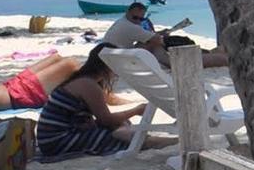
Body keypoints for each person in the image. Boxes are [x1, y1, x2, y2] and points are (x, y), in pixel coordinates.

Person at [36, 45, 169, 160]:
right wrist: (136, 110)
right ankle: (161, 142)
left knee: (121, 126)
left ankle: (151, 140)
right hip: (56, 141)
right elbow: (106, 120)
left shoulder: (83, 80)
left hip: (50, 138)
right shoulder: (88, 84)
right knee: (119, 134)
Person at [101, 1, 229, 68]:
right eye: (135, 18)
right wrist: (160, 36)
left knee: (153, 43)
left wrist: (156, 36)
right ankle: (215, 57)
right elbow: (157, 40)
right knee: (159, 45)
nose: (138, 21)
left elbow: (150, 37)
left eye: (141, 19)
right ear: (128, 12)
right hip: (123, 60)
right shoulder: (130, 27)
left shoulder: (123, 21)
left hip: (118, 57)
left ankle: (208, 54)